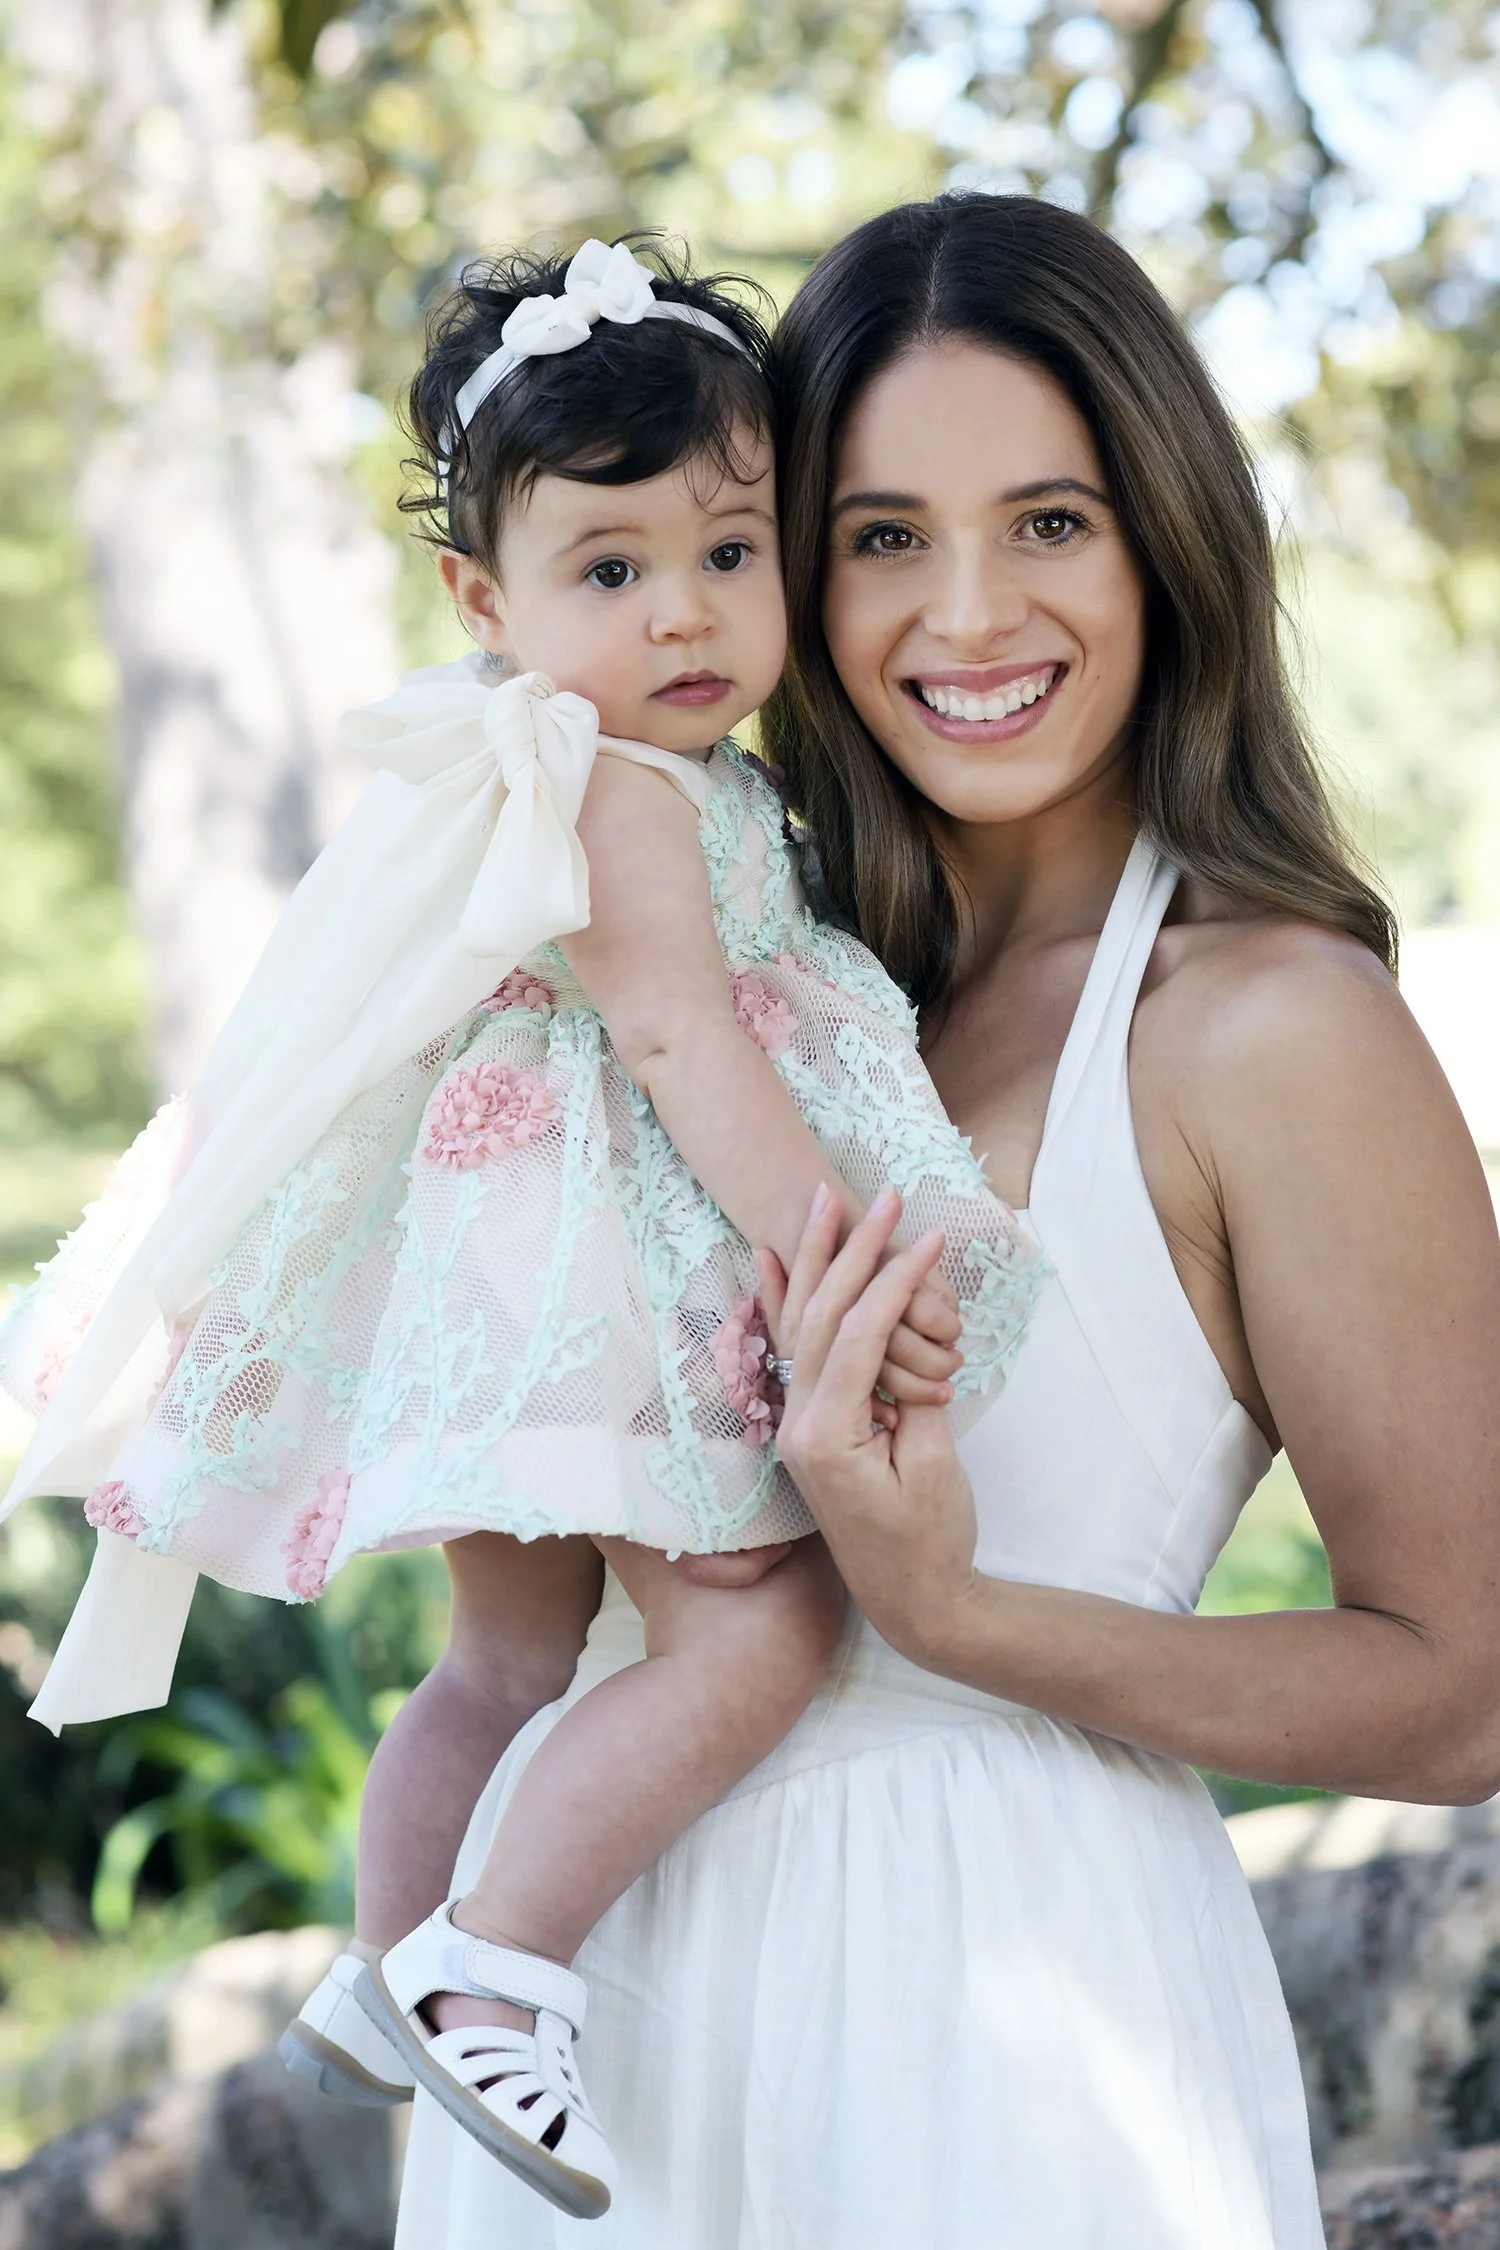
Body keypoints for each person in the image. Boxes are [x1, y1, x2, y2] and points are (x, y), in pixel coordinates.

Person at [395, 192, 1500, 2249]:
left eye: (1052, 521)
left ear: (1168, 540)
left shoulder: (1269, 1028)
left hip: (993, 2028)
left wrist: (962, 1615)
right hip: (583, 2038)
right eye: (883, 535)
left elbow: (1461, 1690)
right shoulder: (750, 990)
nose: (966, 612)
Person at [0, 236, 1040, 2220]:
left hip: (500, 1296)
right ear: (484, 596)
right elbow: (677, 1035)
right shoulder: (624, 797)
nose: (685, 616)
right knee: (761, 1626)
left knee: (503, 1661)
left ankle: (397, 1972)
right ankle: (503, 1965)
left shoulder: (613, 771)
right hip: (616, 1289)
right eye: (611, 570)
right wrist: (836, 1270)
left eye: (730, 556)